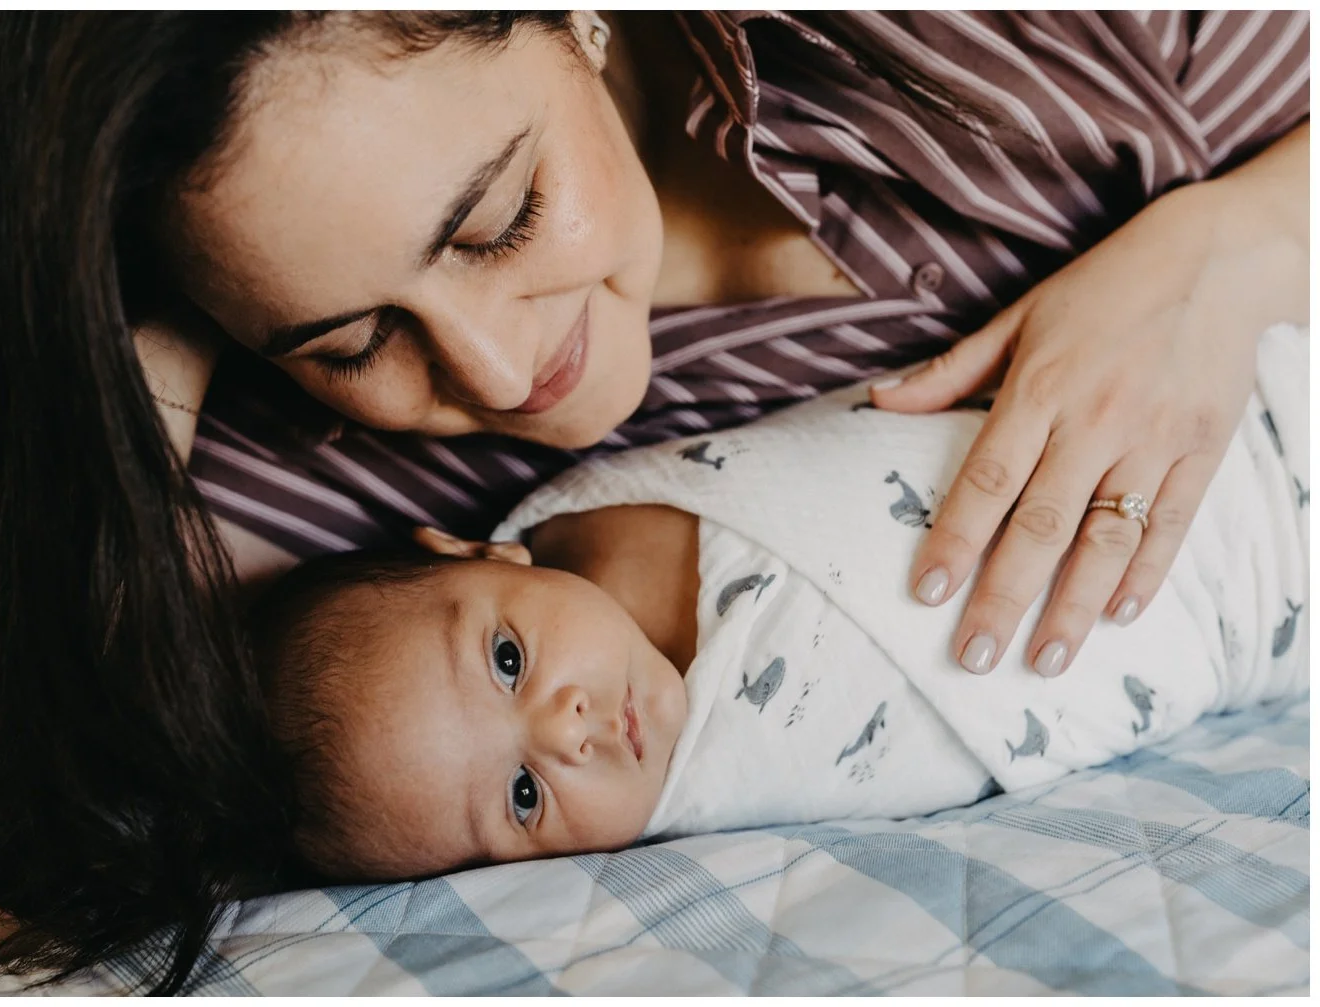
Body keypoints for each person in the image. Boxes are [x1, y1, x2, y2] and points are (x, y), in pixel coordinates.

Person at [0, 10, 1307, 994]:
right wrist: (109, 347)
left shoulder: (942, 48)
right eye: (350, 334)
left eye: (501, 218)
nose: (495, 363)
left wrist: (1227, 248)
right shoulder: (341, 488)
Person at [252, 324, 1307, 881]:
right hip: (1260, 614)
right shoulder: (696, 801)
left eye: (509, 662)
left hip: (1220, 404)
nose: (567, 733)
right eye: (523, 798)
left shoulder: (608, 515)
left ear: (476, 554)